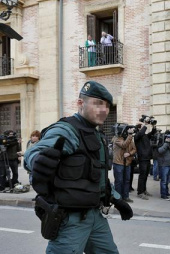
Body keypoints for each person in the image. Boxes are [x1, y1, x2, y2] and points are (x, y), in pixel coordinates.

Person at [24, 81, 132, 253]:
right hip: (71, 220)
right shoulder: (68, 130)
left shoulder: (96, 134)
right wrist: (38, 160)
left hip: (96, 216)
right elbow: (36, 152)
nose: (104, 110)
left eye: (107, 106)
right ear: (80, 103)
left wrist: (115, 198)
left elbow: (96, 175)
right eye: (97, 103)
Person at [112, 127, 136, 203]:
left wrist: (129, 153)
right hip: (118, 163)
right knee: (119, 181)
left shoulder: (129, 138)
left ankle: (126, 197)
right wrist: (130, 135)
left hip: (127, 163)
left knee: (127, 180)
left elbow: (134, 149)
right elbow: (124, 145)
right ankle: (118, 199)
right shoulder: (116, 138)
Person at [134, 119, 156, 200]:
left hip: (147, 158)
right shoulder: (137, 136)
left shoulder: (144, 136)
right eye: (142, 127)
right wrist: (145, 125)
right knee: (142, 176)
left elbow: (152, 133)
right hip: (142, 158)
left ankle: (144, 190)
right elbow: (140, 133)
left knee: (146, 175)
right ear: (139, 128)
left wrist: (153, 126)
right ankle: (140, 192)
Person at [157, 131, 170, 200]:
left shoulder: (169, 144)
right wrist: (166, 143)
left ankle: (167, 192)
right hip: (163, 164)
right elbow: (160, 150)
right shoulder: (162, 143)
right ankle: (163, 195)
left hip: (169, 164)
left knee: (167, 180)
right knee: (164, 181)